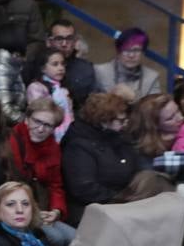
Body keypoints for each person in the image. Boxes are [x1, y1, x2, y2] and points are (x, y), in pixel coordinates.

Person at [60, 91, 146, 225]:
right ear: (104, 119)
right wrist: (121, 198)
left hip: (119, 203)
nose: (125, 123)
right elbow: (83, 188)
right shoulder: (78, 145)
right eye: (121, 120)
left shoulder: (117, 137)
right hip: (90, 211)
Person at [9, 97, 71, 236]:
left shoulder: (53, 148)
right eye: (37, 121)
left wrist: (56, 211)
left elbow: (55, 185)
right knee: (57, 238)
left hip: (42, 208)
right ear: (27, 119)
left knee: (74, 237)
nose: (41, 129)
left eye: (48, 125)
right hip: (17, 208)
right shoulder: (11, 140)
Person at [22, 44, 73, 142]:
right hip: (45, 136)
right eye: (55, 64)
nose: (61, 68)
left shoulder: (63, 88)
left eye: (63, 64)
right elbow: (40, 116)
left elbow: (70, 115)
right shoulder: (36, 88)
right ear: (43, 68)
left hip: (67, 135)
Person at [94, 27, 161, 100]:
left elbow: (155, 109)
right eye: (126, 50)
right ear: (118, 52)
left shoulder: (152, 76)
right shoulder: (100, 71)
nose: (131, 55)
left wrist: (133, 97)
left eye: (136, 50)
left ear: (143, 53)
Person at [46, 19, 100, 107]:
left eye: (69, 39)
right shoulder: (35, 66)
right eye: (59, 39)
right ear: (49, 42)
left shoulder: (86, 69)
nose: (64, 44)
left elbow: (91, 104)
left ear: (75, 42)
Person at [124, 92, 183, 165]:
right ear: (154, 125)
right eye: (170, 118)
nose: (181, 118)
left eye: (178, 110)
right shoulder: (145, 157)